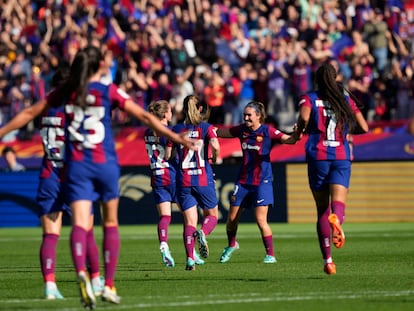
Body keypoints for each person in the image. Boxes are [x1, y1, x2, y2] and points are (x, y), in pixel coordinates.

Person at [61, 46, 196, 308]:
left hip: (77, 163)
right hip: (105, 162)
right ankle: (107, 284)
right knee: (110, 222)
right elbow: (143, 115)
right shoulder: (107, 89)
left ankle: (84, 271)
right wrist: (175, 137)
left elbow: (33, 112)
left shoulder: (67, 90)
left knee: (80, 223)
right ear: (100, 64)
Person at [0, 66, 104, 300]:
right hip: (74, 177)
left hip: (49, 175)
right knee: (86, 231)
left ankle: (49, 286)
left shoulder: (46, 109)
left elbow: (27, 116)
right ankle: (95, 280)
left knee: (49, 236)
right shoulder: (76, 109)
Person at [291, 62, 368, 275]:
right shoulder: (345, 98)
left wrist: (300, 130)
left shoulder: (309, 98)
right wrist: (345, 134)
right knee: (338, 204)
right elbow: (364, 127)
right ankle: (338, 220)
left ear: (317, 79)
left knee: (322, 210)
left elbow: (304, 118)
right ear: (335, 78)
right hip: (341, 155)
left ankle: (328, 260)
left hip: (318, 156)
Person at [216, 101, 297, 264]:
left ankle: (270, 255)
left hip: (262, 182)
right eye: (244, 115)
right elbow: (219, 132)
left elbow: (289, 140)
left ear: (258, 116)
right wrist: (204, 129)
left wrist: (296, 134)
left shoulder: (268, 131)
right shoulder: (241, 130)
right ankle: (232, 245)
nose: (245, 118)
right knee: (232, 218)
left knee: (260, 220)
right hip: (243, 181)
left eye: (249, 115)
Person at [166, 95, 220, 270]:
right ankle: (203, 233)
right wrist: (214, 157)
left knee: (189, 222)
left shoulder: (176, 129)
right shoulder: (206, 127)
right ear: (201, 109)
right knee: (212, 215)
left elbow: (167, 156)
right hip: (203, 178)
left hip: (184, 180)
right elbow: (216, 146)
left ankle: (190, 259)